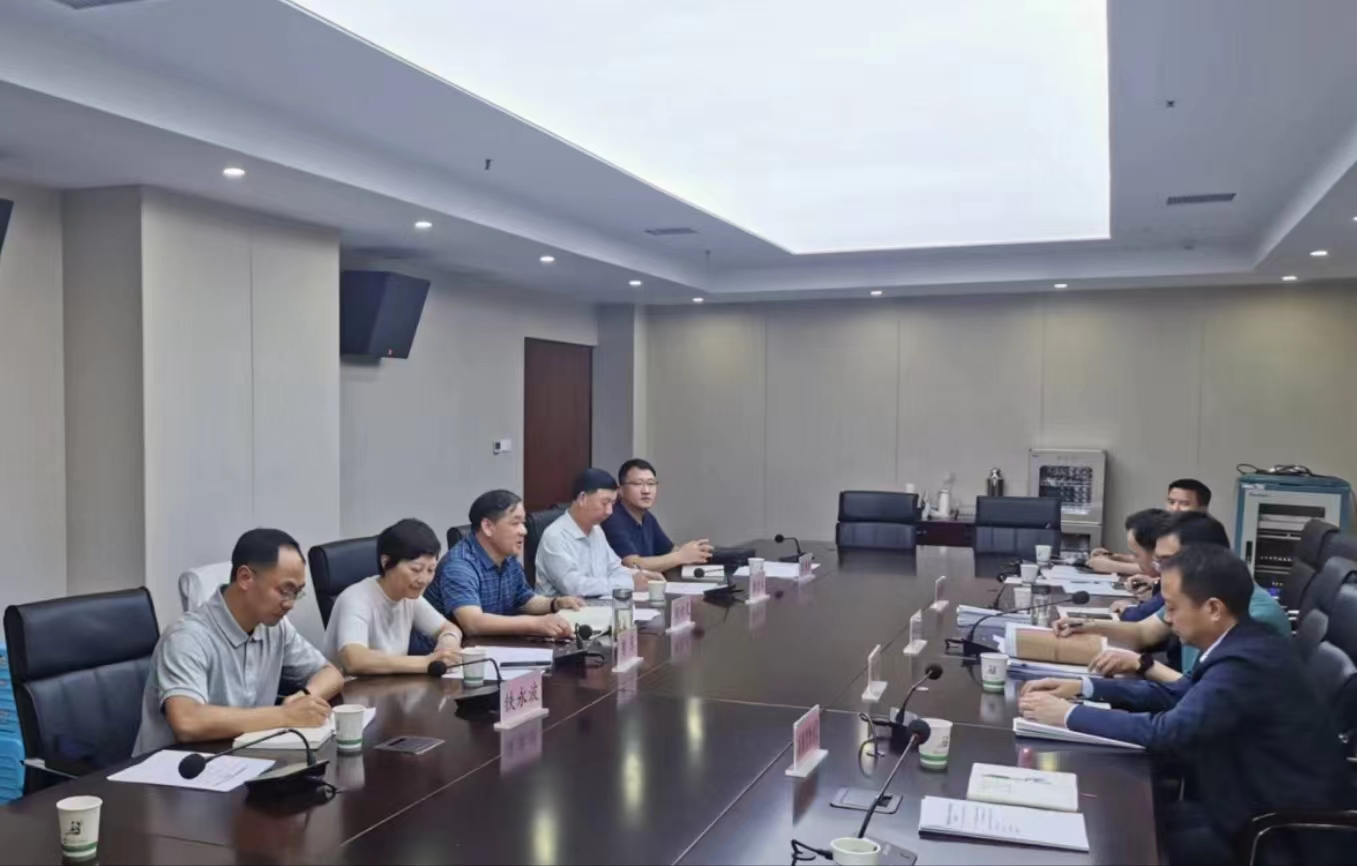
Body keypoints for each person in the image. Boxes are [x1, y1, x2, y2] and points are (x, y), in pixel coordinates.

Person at [1020, 544, 1349, 865]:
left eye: (1173, 607)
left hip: (1280, 835)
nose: (1168, 618)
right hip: (1240, 801)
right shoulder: (1243, 642)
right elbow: (1178, 693)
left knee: (1122, 838)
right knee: (1122, 819)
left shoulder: (1246, 662)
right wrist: (1085, 687)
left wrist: (1068, 715)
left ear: (1214, 609)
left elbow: (1167, 731)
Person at [134, 529, 344, 754]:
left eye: (297, 593)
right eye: (285, 590)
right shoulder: (187, 637)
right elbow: (187, 721)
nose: (290, 603)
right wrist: (285, 715)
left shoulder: (275, 628)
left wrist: (304, 698)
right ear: (245, 578)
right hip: (176, 767)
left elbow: (331, 674)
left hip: (240, 758)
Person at [1057, 512, 1290, 683]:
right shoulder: (1192, 594)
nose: (1159, 570)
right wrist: (1087, 625)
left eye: (1167, 561)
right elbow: (1143, 633)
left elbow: (1199, 691)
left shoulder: (1257, 618)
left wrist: (1142, 665)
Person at [417, 489, 585, 643]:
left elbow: (524, 600)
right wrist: (535, 624)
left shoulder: (507, 557)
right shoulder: (460, 565)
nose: (524, 531)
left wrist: (555, 603)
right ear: (488, 527)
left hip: (493, 647)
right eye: (515, 523)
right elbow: (473, 623)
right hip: (447, 657)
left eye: (523, 523)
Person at [322, 519, 464, 675]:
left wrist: (447, 645)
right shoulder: (355, 598)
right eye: (416, 569)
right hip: (350, 688)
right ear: (386, 562)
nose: (424, 579)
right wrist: (426, 662)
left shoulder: (409, 596)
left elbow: (448, 628)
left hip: (391, 685)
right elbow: (355, 660)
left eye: (430, 570)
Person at [536, 468, 663, 598]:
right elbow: (575, 587)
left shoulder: (596, 530)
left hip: (597, 605)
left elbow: (613, 568)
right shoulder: (555, 536)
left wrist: (639, 575)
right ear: (582, 498)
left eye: (612, 504)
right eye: (604, 503)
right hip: (564, 609)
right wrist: (630, 583)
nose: (609, 511)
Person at [602, 458, 713, 571]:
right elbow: (633, 564)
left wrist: (695, 551)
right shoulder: (611, 518)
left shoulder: (647, 518)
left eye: (651, 484)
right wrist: (681, 556)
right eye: (638, 484)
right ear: (620, 490)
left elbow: (669, 551)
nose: (646, 490)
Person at [1088, 479, 1211, 575]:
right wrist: (1117, 557)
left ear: (1202, 508)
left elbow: (1170, 570)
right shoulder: (1172, 527)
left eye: (1184, 504)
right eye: (1171, 502)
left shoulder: (1205, 534)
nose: (1175, 508)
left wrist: (1111, 566)